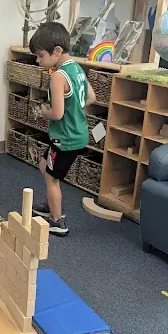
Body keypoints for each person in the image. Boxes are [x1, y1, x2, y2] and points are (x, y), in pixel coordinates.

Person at [28, 21, 96, 236]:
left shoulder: (58, 76)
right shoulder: (76, 68)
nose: (38, 61)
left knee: (51, 178)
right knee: (43, 163)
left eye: (40, 56)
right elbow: (91, 97)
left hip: (64, 139)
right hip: (75, 134)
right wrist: (73, 108)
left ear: (56, 51)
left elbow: (56, 114)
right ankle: (52, 204)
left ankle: (57, 221)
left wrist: (43, 111)